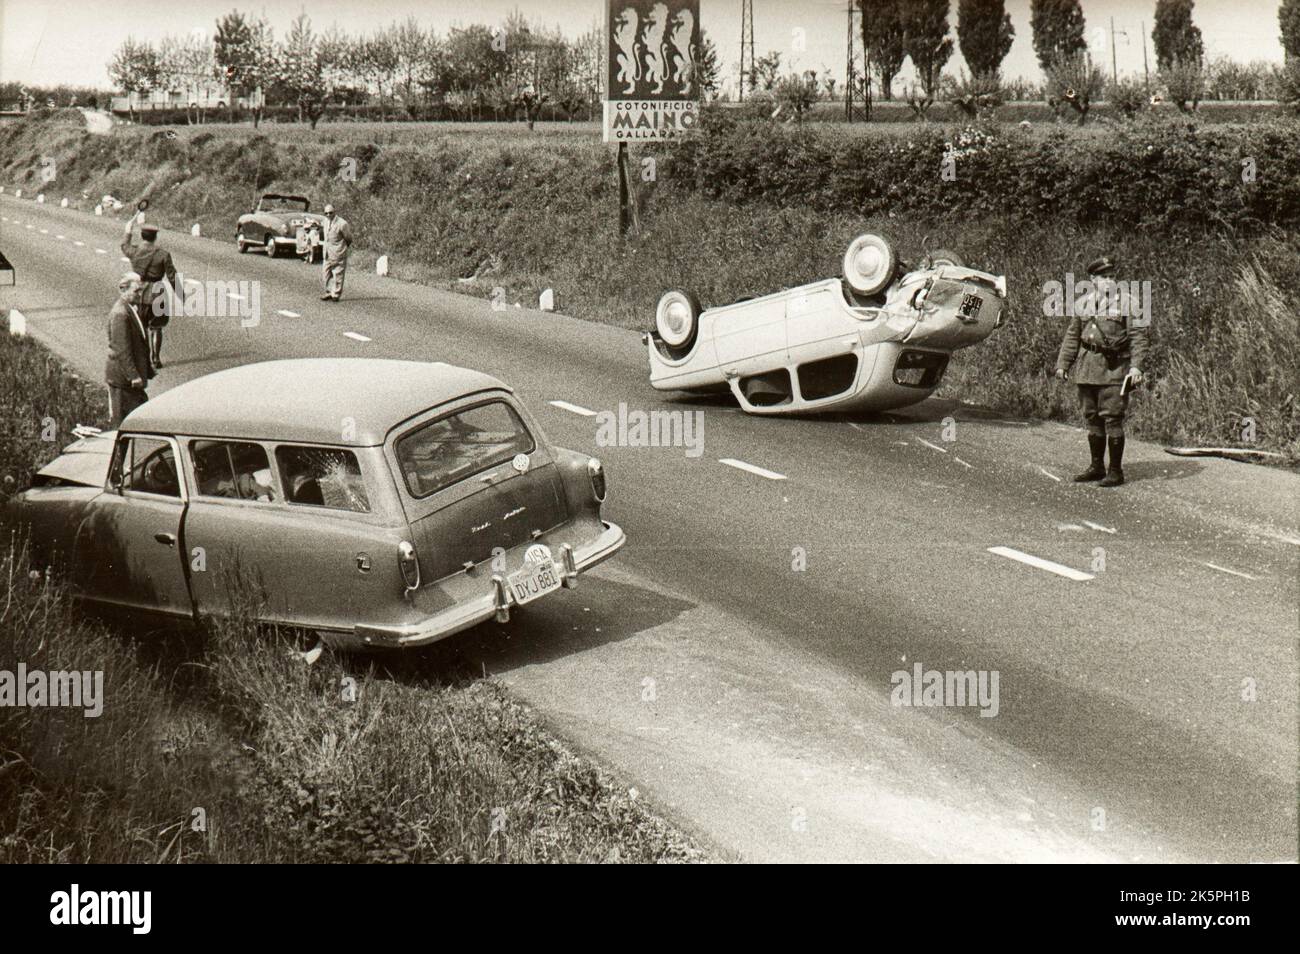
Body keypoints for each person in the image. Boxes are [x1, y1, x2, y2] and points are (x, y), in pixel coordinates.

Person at [1054, 256, 1149, 488]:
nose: (1109, 281)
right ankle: (1097, 466)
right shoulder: (1082, 304)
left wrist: (1136, 366)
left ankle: (1115, 471)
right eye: (1103, 277)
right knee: (1092, 417)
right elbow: (1073, 336)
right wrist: (1063, 364)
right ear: (1093, 280)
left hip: (1114, 368)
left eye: (1112, 277)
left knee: (1112, 417)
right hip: (1087, 368)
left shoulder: (1129, 302)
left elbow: (1139, 337)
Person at [121, 213, 182, 368]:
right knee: (156, 328)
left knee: (141, 328)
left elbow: (124, 246)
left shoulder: (135, 252)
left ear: (142, 236)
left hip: (138, 293)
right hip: (157, 293)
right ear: (155, 237)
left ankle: (144, 360)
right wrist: (181, 294)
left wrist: (128, 231)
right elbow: (172, 276)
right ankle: (155, 358)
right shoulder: (163, 254)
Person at [105, 272, 154, 428]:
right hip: (123, 380)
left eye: (140, 291)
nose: (139, 295)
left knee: (136, 418)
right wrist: (133, 375)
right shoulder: (120, 314)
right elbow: (122, 349)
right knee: (123, 423)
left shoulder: (129, 309)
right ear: (123, 290)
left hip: (128, 379)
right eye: (136, 291)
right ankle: (119, 452)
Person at [320, 203, 352, 302]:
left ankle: (336, 294)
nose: (328, 215)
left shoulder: (342, 223)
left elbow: (348, 238)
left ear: (335, 212)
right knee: (325, 274)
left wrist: (341, 249)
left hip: (338, 252)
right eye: (326, 213)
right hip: (327, 253)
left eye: (330, 213)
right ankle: (329, 291)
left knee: (338, 274)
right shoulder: (325, 221)